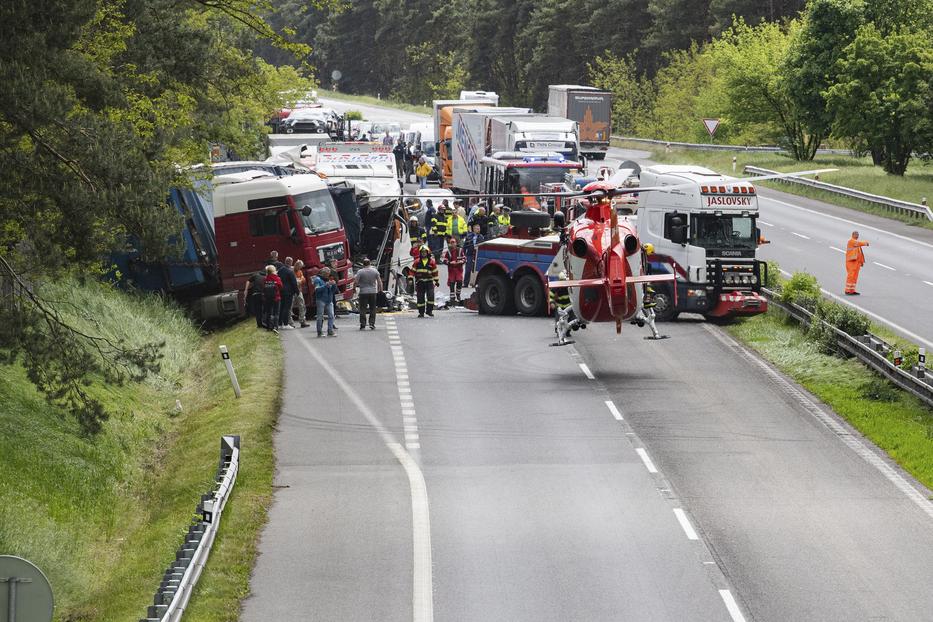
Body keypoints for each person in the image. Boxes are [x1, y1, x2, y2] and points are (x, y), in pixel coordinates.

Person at [354, 257, 383, 330]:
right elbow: (379, 282)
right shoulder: (375, 271)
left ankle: (363, 324)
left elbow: (356, 281)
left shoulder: (360, 272)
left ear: (363, 264)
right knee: (372, 308)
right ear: (370, 263)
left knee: (362, 309)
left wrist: (354, 288)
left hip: (363, 292)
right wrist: (380, 290)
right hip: (373, 292)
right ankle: (372, 323)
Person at [413, 246, 439, 317]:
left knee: (431, 296)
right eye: (422, 252)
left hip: (429, 282)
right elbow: (412, 271)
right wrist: (410, 279)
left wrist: (436, 281)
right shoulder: (417, 262)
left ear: (427, 253)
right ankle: (421, 312)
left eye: (425, 252)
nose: (423, 253)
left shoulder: (432, 262)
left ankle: (429, 311)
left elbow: (435, 272)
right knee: (420, 297)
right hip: (420, 282)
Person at [312, 267, 338, 337]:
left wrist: (334, 285)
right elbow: (317, 290)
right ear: (323, 273)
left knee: (331, 315)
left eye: (328, 274)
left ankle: (330, 331)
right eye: (327, 274)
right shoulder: (317, 279)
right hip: (321, 300)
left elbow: (332, 291)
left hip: (329, 300)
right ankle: (319, 332)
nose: (328, 275)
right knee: (320, 316)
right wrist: (326, 285)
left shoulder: (328, 279)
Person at [441, 236, 466, 304]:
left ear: (456, 243)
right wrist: (449, 262)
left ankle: (458, 295)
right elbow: (445, 260)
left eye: (453, 242)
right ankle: (452, 298)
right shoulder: (448, 252)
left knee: (459, 282)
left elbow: (464, 258)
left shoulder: (460, 250)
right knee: (451, 284)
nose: (452, 244)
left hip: (458, 269)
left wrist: (461, 262)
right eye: (451, 242)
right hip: (451, 270)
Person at [845, 230, 869, 295]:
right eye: (856, 234)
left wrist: (861, 262)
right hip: (851, 262)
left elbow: (859, 253)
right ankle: (847, 290)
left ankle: (852, 290)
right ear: (853, 235)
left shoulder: (856, 243)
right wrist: (866, 243)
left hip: (856, 262)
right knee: (851, 275)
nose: (857, 236)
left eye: (858, 234)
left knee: (855, 277)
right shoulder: (851, 241)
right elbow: (859, 243)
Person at [278, 257, 299, 329]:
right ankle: (286, 324)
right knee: (287, 308)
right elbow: (294, 283)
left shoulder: (280, 271)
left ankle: (280, 324)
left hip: (281, 291)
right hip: (289, 292)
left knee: (281, 307)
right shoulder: (290, 271)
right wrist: (297, 291)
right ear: (290, 263)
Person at [261, 265, 283, 333]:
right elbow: (281, 287)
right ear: (273, 271)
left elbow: (263, 288)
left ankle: (269, 327)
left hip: (267, 298)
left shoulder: (265, 279)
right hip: (276, 298)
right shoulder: (277, 278)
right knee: (276, 313)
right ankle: (275, 327)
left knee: (269, 313)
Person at [292, 259, 309, 328]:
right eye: (299, 267)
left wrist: (300, 280)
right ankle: (290, 323)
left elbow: (303, 279)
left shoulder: (300, 271)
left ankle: (302, 321)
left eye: (300, 267)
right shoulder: (291, 270)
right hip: (292, 291)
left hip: (299, 290)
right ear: (296, 265)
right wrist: (298, 280)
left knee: (302, 306)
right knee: (290, 307)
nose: (299, 268)